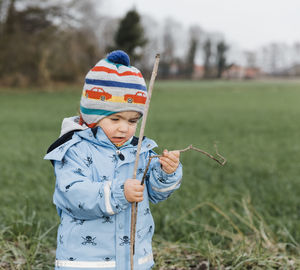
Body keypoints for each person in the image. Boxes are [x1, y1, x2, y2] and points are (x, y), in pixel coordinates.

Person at [44, 50, 182, 270]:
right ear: (92, 116)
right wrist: (118, 194)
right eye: (115, 118)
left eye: (132, 120)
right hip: (87, 261)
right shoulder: (75, 150)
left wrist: (167, 173)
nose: (124, 128)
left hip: (134, 259)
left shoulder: (140, 151)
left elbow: (155, 195)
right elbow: (72, 194)